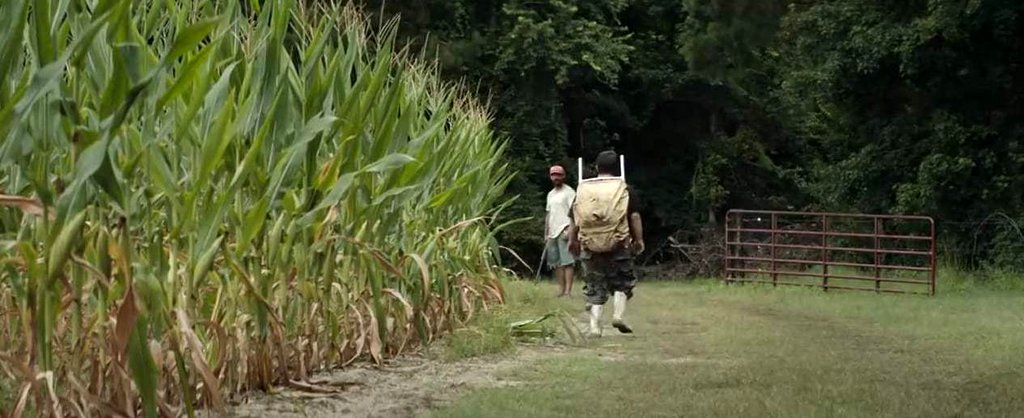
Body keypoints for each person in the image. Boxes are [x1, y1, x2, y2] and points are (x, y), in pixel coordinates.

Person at [568, 150, 644, 337]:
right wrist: (639, 239)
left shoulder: (584, 189)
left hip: (589, 245)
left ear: (596, 167)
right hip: (619, 243)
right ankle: (618, 315)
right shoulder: (623, 189)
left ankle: (595, 327)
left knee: (594, 286)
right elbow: (634, 216)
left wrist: (572, 240)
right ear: (616, 168)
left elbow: (574, 219)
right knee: (623, 282)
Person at [545, 165, 577, 297]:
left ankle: (568, 292)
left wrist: (571, 229)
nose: (556, 177)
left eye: (558, 174)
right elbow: (548, 214)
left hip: (565, 228)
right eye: (553, 175)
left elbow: (574, 211)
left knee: (567, 262)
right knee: (556, 263)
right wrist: (546, 232)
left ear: (563, 176)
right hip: (553, 231)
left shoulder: (569, 192)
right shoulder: (550, 194)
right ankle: (561, 290)